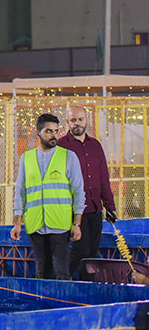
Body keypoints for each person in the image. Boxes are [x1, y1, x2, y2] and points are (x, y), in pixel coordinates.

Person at [10, 113, 85, 280]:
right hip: (35, 224)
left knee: (61, 273)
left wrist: (77, 224)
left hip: (60, 224)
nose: (54, 135)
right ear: (38, 133)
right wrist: (17, 224)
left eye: (56, 131)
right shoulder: (26, 158)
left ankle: (63, 298)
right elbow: (20, 191)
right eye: (49, 131)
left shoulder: (68, 157)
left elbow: (78, 191)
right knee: (41, 273)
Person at [59, 106, 117, 277]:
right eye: (73, 120)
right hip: (74, 210)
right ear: (67, 122)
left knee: (92, 252)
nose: (77, 123)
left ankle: (86, 285)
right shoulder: (61, 146)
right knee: (81, 250)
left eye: (80, 119)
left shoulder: (95, 145)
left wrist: (110, 206)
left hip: (95, 208)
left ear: (87, 120)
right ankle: (61, 279)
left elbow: (103, 177)